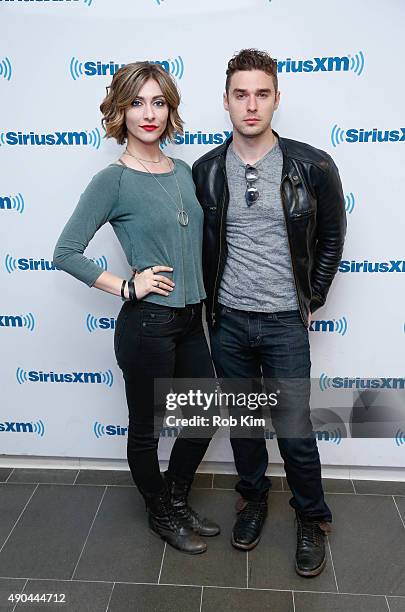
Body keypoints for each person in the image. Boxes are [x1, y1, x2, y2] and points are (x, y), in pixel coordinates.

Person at [52, 61, 220, 555]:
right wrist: (127, 286)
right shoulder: (114, 180)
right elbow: (65, 252)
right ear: (121, 112)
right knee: (145, 429)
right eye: (137, 103)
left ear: (170, 110)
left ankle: (176, 495)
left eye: (159, 102)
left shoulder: (184, 171)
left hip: (192, 320)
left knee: (203, 413)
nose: (149, 113)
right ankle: (159, 511)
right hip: (148, 325)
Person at [192, 49, 346, 576]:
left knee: (295, 428)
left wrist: (313, 298)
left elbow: (331, 239)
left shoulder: (312, 164)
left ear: (277, 98)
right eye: (241, 94)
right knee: (243, 425)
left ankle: (311, 516)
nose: (251, 105)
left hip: (284, 321)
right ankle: (252, 499)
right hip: (229, 320)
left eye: (261, 93)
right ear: (227, 101)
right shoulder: (207, 170)